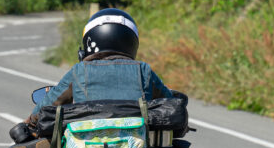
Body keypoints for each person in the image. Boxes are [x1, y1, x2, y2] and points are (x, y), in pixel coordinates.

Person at [35, 8, 172, 113]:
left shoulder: (79, 70)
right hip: (138, 146)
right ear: (131, 43)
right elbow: (171, 102)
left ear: (89, 42)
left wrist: (28, 123)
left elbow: (49, 102)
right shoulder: (143, 70)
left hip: (85, 147)